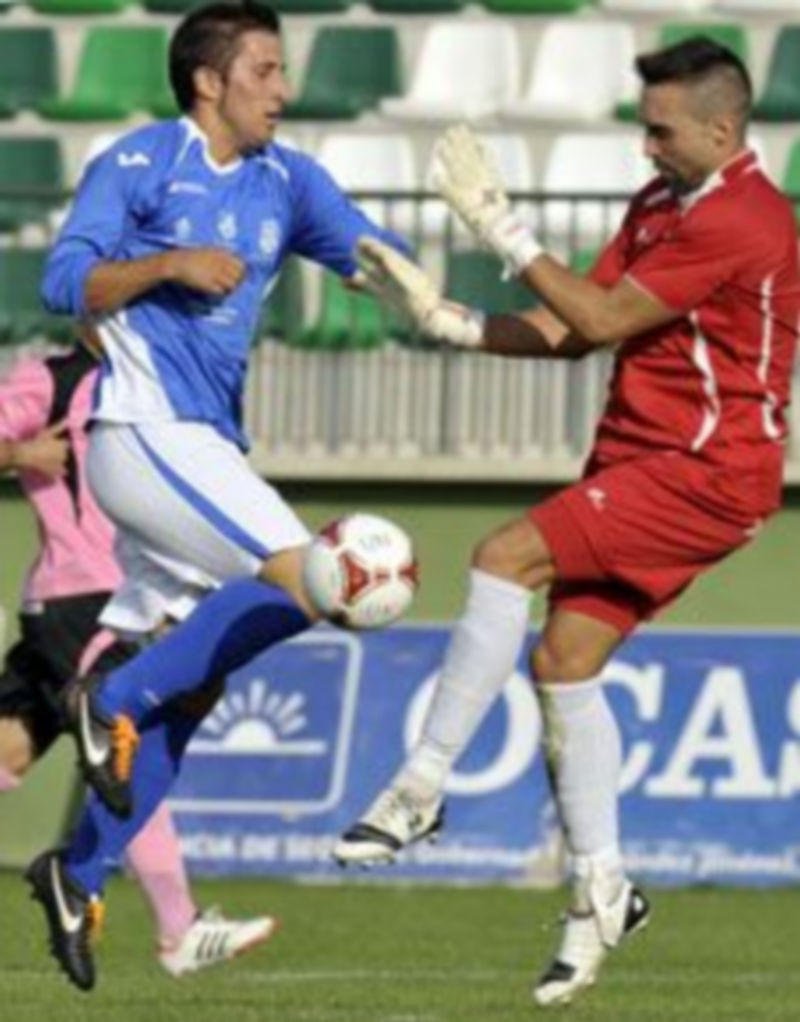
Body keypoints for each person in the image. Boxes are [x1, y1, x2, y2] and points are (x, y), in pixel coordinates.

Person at [332, 37, 800, 1007]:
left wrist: (501, 226)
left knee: (500, 556)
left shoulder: (746, 215)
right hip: (639, 460)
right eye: (641, 127)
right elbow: (560, 330)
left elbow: (593, 319)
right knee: (562, 664)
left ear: (721, 127)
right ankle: (600, 887)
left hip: (704, 469)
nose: (644, 146)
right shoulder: (658, 204)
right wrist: (444, 318)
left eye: (660, 130)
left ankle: (418, 787)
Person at [27, 0, 407, 992]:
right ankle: (110, 692)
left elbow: (365, 252)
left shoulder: (288, 177)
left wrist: (441, 281)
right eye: (267, 70)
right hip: (148, 436)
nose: (285, 89)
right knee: (313, 581)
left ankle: (77, 872)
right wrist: (166, 264)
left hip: (200, 445)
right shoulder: (142, 162)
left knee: (192, 695)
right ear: (210, 81)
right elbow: (62, 278)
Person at [0, 337, 277, 985]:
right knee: (131, 745)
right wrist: (22, 452)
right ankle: (179, 930)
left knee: (9, 749)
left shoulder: (158, 383)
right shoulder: (52, 380)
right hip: (82, 598)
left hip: (110, 599)